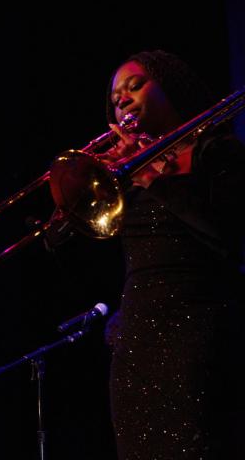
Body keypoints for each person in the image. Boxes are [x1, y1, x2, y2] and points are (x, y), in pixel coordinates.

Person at [99, 50, 245, 459]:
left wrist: (150, 176)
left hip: (199, 334)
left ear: (169, 87)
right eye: (115, 98)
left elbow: (226, 236)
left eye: (135, 85)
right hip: (136, 344)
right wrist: (65, 213)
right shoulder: (124, 177)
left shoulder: (217, 151)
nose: (122, 99)